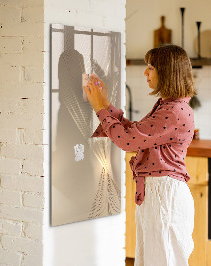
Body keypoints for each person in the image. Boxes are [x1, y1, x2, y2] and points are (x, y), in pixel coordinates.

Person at [83, 44, 197, 266]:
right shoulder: (169, 106)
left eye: (151, 67)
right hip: (159, 194)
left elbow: (127, 141)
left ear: (167, 72)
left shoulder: (173, 111)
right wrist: (106, 104)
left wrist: (99, 109)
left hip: (164, 196)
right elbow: (135, 133)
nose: (145, 72)